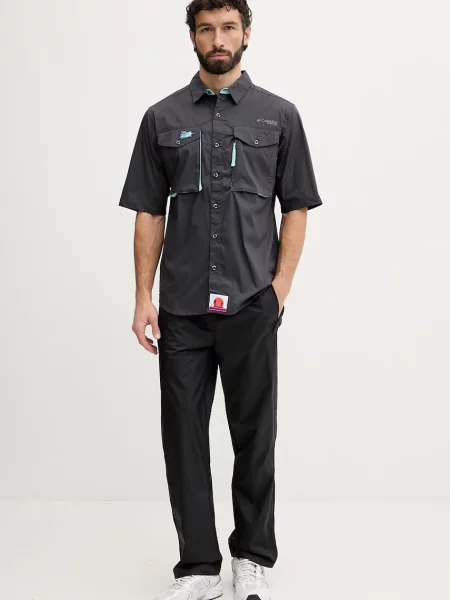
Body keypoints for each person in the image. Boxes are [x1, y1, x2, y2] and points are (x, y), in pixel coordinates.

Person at [118, 1, 323, 598]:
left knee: (254, 437)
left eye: (228, 27)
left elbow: (297, 207)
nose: (218, 38)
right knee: (183, 438)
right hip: (181, 308)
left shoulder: (280, 116)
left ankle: (252, 558)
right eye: (206, 28)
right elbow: (149, 212)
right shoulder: (161, 117)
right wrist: (143, 297)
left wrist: (278, 291)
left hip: (252, 302)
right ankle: (199, 568)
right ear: (192, 37)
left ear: (246, 34)